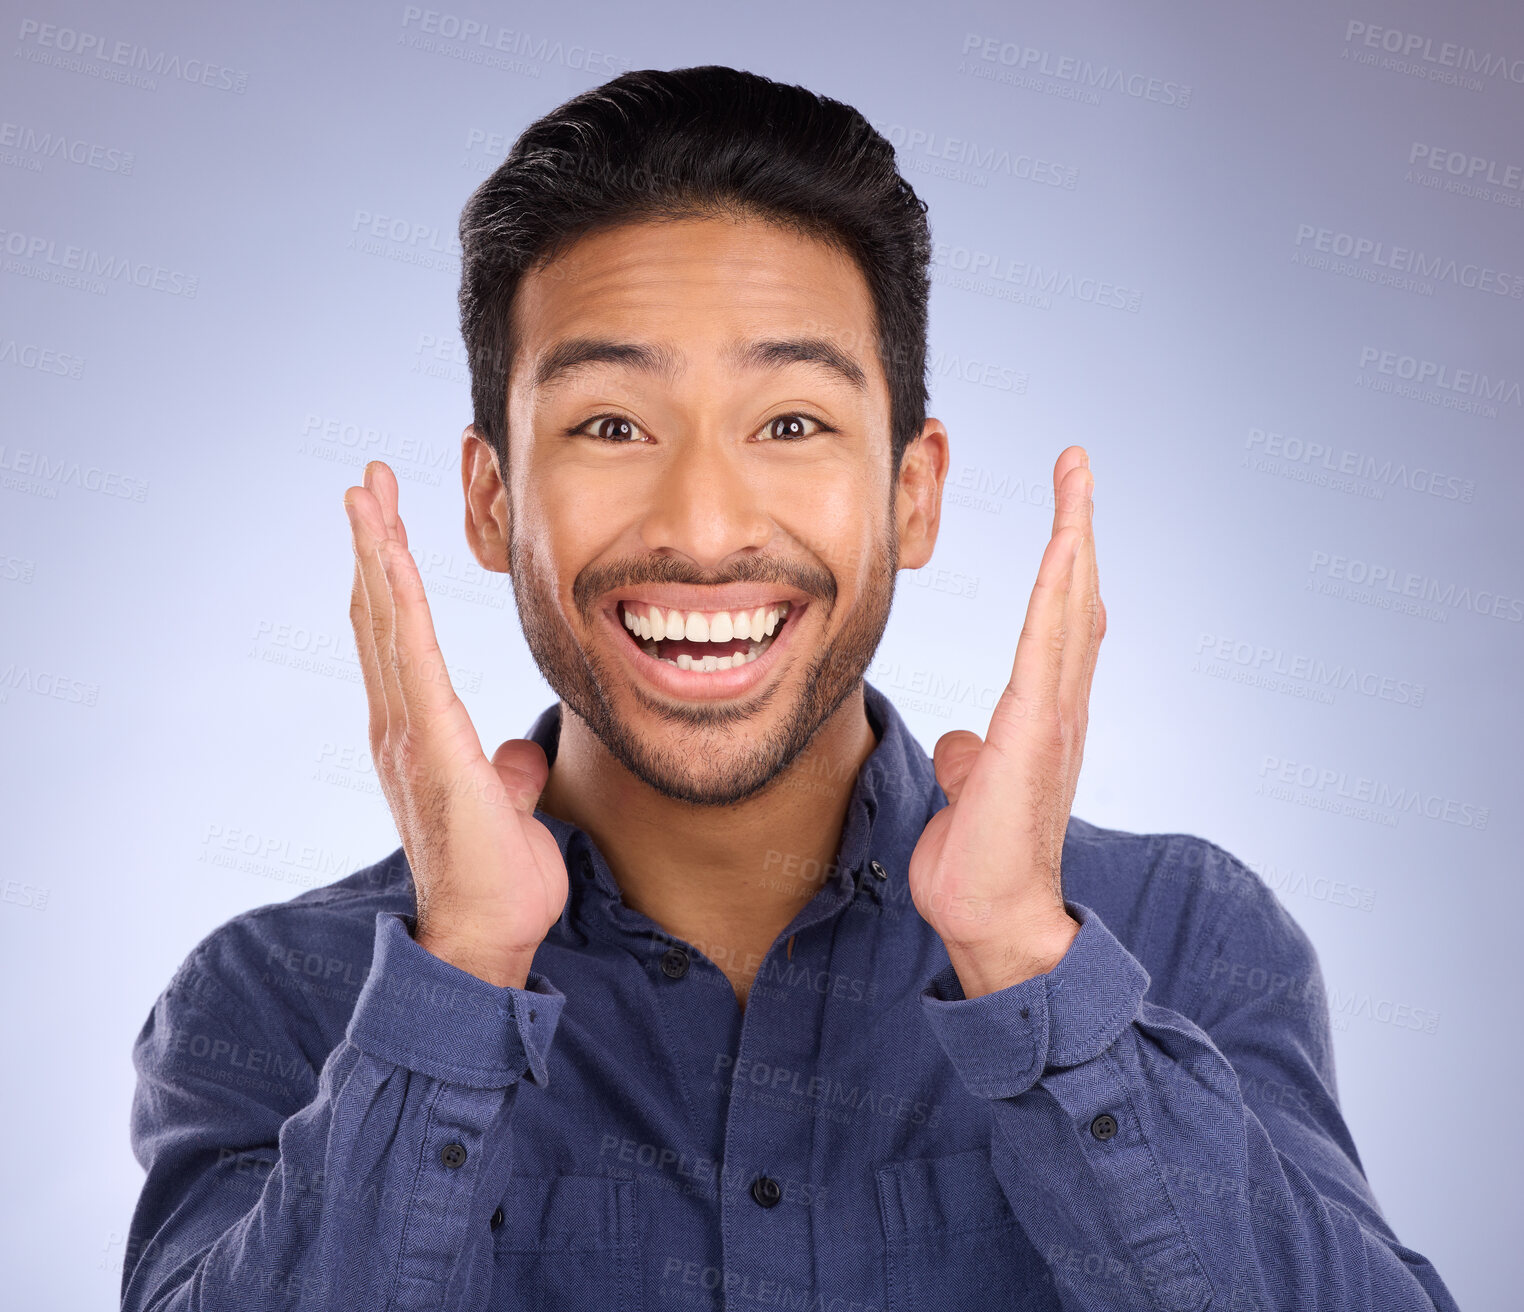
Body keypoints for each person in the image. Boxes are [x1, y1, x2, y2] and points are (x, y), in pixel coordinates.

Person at [122, 65, 1458, 1311]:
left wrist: (1024, 964)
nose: (705, 529)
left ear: (913, 491)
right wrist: (461, 971)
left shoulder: (1183, 940)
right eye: (608, 426)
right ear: (490, 499)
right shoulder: (279, 1000)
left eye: (793, 424)